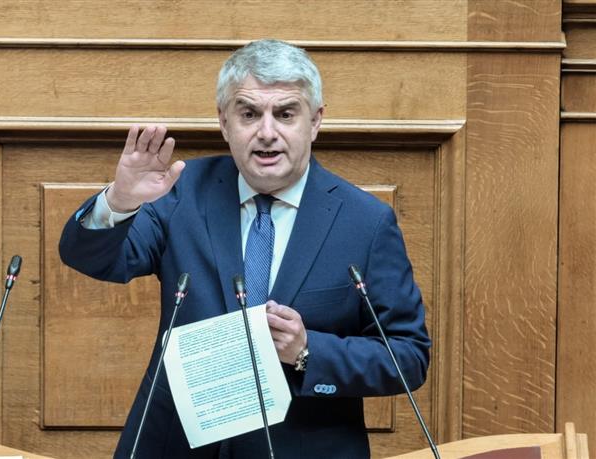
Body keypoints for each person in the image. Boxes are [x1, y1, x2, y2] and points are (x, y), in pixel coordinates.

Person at [59, 39, 430, 459]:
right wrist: (121, 201)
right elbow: (93, 258)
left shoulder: (365, 222)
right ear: (224, 122)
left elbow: (408, 356)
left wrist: (308, 351)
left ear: (315, 121)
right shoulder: (181, 191)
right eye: (249, 114)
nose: (267, 133)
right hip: (176, 446)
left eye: (285, 114)